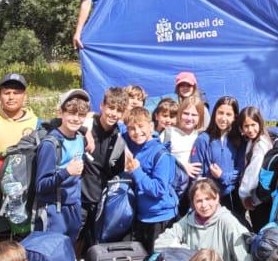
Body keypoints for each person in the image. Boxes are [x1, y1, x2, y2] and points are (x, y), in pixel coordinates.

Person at [157, 178, 257, 261]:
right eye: (199, 201)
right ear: (193, 203)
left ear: (217, 198)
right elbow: (160, 243)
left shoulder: (229, 223)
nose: (204, 205)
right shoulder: (189, 219)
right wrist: (186, 253)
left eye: (208, 199)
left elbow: (245, 260)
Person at [34, 90, 90, 242]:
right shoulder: (50, 144)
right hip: (54, 211)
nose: (76, 119)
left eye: (81, 115)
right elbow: (41, 186)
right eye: (71, 113)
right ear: (60, 113)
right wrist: (66, 172)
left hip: (74, 207)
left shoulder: (80, 139)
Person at [123, 106, 180, 248]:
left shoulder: (161, 154)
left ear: (151, 126)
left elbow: (159, 189)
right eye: (132, 128)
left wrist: (136, 171)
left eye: (141, 126)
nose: (137, 132)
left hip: (161, 218)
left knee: (156, 259)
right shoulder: (137, 148)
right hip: (142, 216)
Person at [81, 87, 129, 243]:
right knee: (74, 240)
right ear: (102, 105)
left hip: (101, 202)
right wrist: (84, 130)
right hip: (79, 199)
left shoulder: (120, 138)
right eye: (111, 107)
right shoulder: (86, 125)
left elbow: (117, 173)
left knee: (94, 244)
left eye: (119, 110)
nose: (114, 113)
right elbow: (63, 120)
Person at [194, 95, 241, 204]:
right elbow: (196, 173)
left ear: (235, 117)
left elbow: (241, 169)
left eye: (228, 114)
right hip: (209, 199)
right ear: (214, 113)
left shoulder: (239, 140)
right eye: (220, 113)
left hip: (234, 197)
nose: (223, 118)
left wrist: (222, 176)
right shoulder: (203, 139)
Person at [235, 106, 275, 228]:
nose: (250, 129)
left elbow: (253, 172)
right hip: (262, 196)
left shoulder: (260, 145)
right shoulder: (255, 140)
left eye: (253, 125)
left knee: (260, 228)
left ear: (260, 123)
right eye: (246, 126)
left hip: (259, 198)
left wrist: (243, 194)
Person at [0, 72, 39, 160]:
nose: (11, 97)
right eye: (7, 93)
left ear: (25, 96)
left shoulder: (37, 124)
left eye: (16, 93)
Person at [163, 94, 207, 197]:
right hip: (173, 187)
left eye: (194, 115)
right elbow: (160, 158)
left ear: (200, 117)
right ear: (180, 114)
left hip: (194, 188)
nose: (189, 118)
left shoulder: (200, 136)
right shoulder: (169, 133)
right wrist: (181, 165)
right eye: (186, 113)